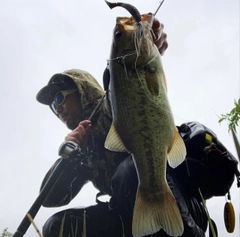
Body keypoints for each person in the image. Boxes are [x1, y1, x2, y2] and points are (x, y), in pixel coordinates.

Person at [36, 16, 208, 237]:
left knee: (129, 171)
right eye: (52, 105)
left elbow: (123, 77)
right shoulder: (83, 150)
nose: (56, 107)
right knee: (56, 227)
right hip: (132, 214)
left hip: (179, 202)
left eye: (59, 97)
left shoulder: (113, 103)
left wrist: (144, 37)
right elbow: (50, 198)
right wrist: (71, 156)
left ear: (81, 90)